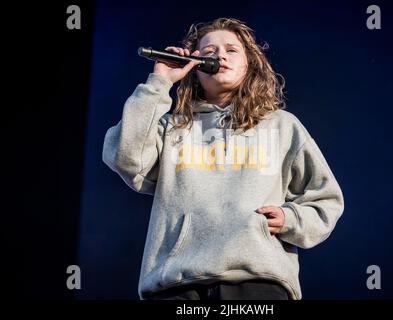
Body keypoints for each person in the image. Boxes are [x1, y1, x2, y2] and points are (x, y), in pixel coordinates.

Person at [102, 17, 344, 300]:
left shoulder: (281, 125)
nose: (219, 55)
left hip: (257, 280)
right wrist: (159, 82)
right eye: (208, 52)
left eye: (231, 50)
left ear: (250, 64)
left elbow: (326, 199)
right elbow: (124, 157)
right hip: (175, 283)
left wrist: (290, 218)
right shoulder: (173, 127)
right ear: (195, 68)